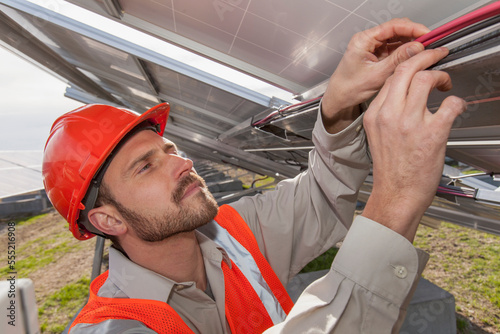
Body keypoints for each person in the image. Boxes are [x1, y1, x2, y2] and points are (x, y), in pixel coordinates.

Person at [42, 18, 465, 333]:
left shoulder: (231, 234)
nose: (182, 162)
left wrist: (337, 106)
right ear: (109, 220)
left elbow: (320, 194)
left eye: (169, 149)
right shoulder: (116, 327)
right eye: (146, 166)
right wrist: (397, 197)